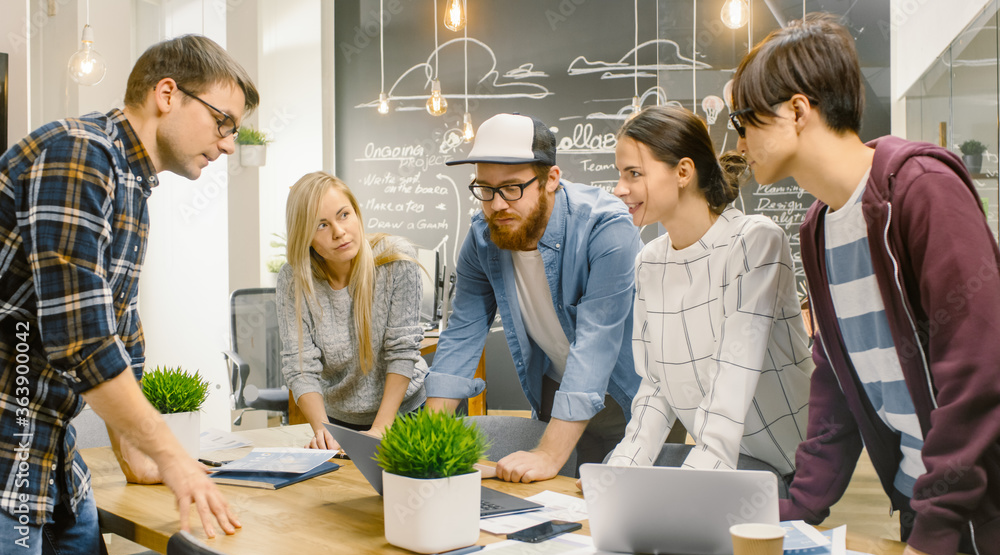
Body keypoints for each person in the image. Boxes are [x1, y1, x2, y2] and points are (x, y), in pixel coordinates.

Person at [731, 14, 1000, 555]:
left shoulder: (921, 190)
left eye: (744, 121)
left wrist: (940, 525)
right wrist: (800, 506)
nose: (738, 143)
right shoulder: (818, 227)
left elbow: (979, 367)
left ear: (797, 110)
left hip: (981, 507)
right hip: (918, 500)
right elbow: (837, 375)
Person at [0, 34, 258, 555]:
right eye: (223, 121)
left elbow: (121, 334)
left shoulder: (132, 184)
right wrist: (174, 461)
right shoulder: (79, 153)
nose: (230, 143)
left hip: (48, 448)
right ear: (168, 93)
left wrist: (134, 454)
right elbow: (83, 340)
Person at [424, 112, 642, 483]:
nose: (496, 205)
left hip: (632, 397)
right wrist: (427, 440)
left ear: (551, 180)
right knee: (563, 504)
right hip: (558, 393)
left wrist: (547, 453)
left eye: (511, 188)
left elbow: (595, 344)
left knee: (630, 512)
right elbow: (461, 334)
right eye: (485, 189)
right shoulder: (482, 238)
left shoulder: (607, 227)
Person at [605, 106, 813, 490]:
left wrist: (694, 485)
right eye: (620, 175)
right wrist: (619, 470)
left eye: (633, 173)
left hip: (782, 467)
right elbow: (654, 388)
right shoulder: (649, 261)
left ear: (683, 172)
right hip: (716, 459)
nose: (620, 189)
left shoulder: (753, 241)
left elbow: (733, 376)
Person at [276, 171, 427, 449]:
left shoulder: (396, 260)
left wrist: (381, 428)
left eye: (344, 215)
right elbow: (300, 365)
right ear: (305, 236)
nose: (339, 232)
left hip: (406, 416)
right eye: (321, 225)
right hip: (337, 423)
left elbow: (402, 351)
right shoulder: (294, 278)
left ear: (356, 213)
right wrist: (323, 430)